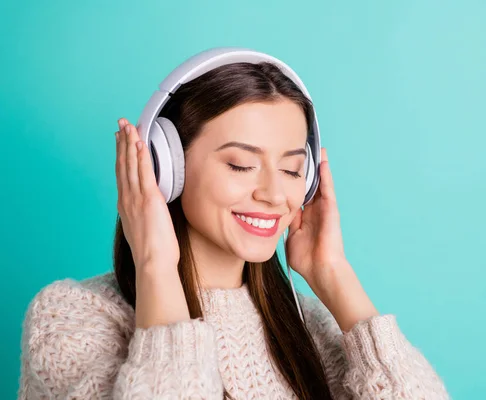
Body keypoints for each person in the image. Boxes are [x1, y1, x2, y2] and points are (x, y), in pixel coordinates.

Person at [17, 52, 449, 399]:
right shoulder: (70, 319)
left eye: (293, 170)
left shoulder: (308, 324)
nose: (274, 194)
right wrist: (156, 266)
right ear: (167, 168)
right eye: (242, 165)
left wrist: (333, 273)